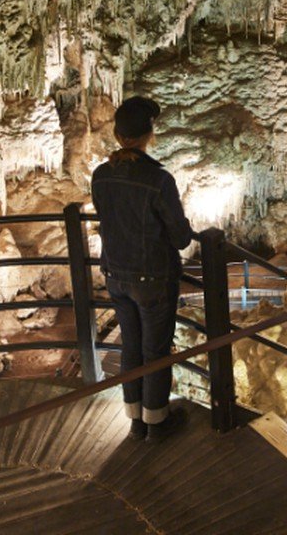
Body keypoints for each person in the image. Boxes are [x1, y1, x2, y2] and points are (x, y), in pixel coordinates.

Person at [90, 95, 194, 441]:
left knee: (130, 347)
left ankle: (135, 419)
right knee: (156, 350)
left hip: (116, 276)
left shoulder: (101, 176)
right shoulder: (158, 180)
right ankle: (157, 423)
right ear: (150, 134)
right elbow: (180, 238)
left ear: (119, 136)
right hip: (152, 279)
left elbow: (110, 219)